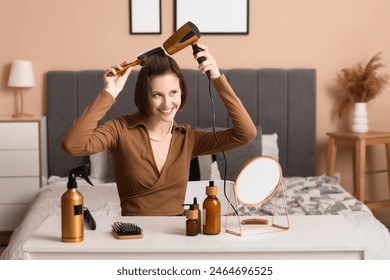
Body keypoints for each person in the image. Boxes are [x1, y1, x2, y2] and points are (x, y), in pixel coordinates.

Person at [61, 43, 256, 216]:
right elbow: (73, 145)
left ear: (181, 91)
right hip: (137, 237)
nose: (167, 103)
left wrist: (216, 77)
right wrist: (109, 92)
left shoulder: (188, 139)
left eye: (173, 93)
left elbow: (246, 134)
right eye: (157, 95)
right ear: (145, 95)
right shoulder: (120, 129)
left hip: (179, 236)